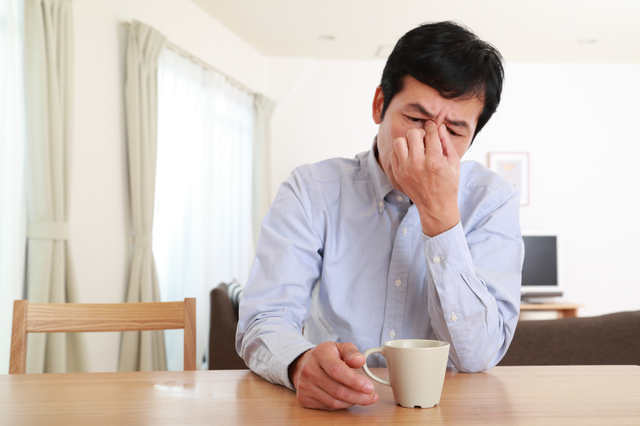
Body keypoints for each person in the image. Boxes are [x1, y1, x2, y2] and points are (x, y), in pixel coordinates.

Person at [236, 21, 523, 410]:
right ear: (379, 105)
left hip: (447, 409)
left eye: (454, 130)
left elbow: (477, 356)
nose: (430, 143)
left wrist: (438, 216)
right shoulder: (312, 188)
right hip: (337, 409)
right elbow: (263, 318)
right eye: (417, 119)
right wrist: (300, 364)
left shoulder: (491, 199)